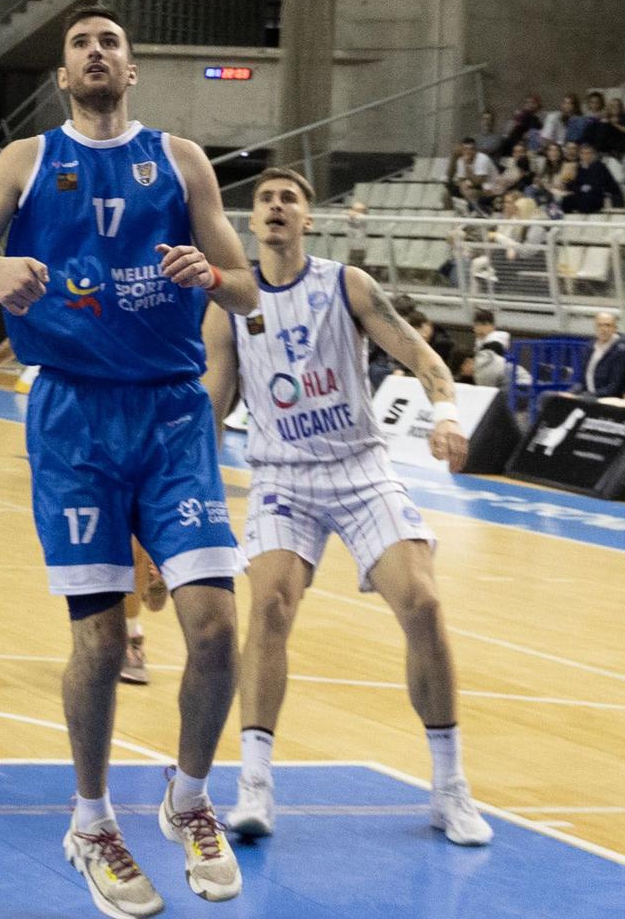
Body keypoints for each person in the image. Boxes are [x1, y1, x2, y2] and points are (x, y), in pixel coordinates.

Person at [0, 7, 258, 912]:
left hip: (172, 414)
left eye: (110, 41)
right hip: (73, 416)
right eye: (80, 43)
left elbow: (249, 292)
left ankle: (188, 800)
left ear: (132, 68)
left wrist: (212, 278)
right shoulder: (26, 161)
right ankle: (88, 823)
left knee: (217, 632)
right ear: (63, 72)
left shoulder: (183, 160)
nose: (96, 52)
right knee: (102, 634)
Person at [202, 169, 490, 852]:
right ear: (251, 222)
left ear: (307, 220)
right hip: (279, 475)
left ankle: (449, 786)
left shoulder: (346, 284)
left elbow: (426, 359)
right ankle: (254, 784)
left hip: (360, 469)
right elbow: (215, 400)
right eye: (265, 199)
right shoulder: (229, 305)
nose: (275, 207)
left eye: (289, 200)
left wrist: (445, 415)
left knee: (422, 604)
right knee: (269, 605)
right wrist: (189, 487)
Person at [584, 310, 625, 397]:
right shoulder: (588, 348)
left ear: (615, 328)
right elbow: (580, 380)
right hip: (589, 397)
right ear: (595, 328)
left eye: (608, 325)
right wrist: (571, 393)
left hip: (610, 398)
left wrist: (587, 396)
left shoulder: (623, 350)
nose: (604, 329)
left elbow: (614, 388)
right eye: (600, 325)